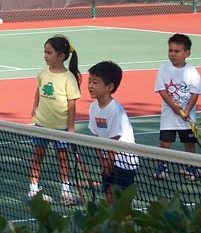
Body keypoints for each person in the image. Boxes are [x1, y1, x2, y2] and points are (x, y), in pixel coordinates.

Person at [28, 35, 81, 204]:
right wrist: (34, 106)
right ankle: (33, 189)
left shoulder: (69, 78)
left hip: (61, 127)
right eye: (44, 52)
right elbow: (38, 90)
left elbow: (72, 103)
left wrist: (71, 126)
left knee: (63, 159)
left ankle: (65, 191)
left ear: (61, 56)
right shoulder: (42, 73)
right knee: (37, 156)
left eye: (49, 52)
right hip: (42, 124)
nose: (45, 55)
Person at [87, 61, 139, 204]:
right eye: (89, 81)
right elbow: (96, 137)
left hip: (124, 162)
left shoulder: (115, 110)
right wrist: (103, 161)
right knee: (109, 200)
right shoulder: (93, 108)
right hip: (108, 160)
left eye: (95, 82)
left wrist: (107, 164)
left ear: (110, 87)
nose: (90, 85)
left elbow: (114, 143)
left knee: (118, 202)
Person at [154, 33, 201, 180]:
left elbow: (195, 93)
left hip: (187, 117)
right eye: (170, 50)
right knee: (164, 143)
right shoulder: (163, 69)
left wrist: (187, 110)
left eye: (177, 51)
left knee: (189, 144)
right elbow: (161, 90)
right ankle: (162, 167)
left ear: (187, 53)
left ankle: (191, 167)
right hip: (169, 117)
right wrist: (174, 107)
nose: (172, 54)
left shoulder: (192, 72)